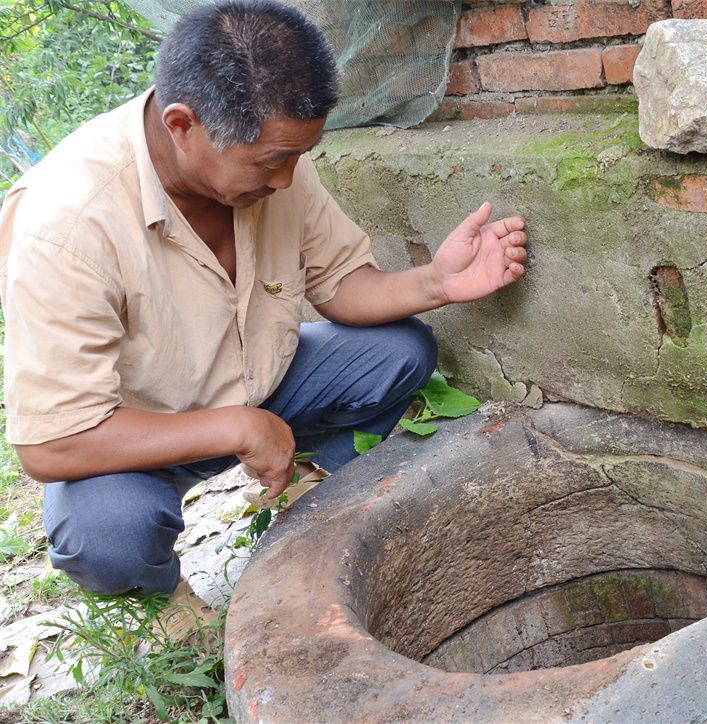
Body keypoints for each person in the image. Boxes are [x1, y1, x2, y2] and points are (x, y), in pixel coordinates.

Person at [0, 0, 528, 598]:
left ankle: (304, 495)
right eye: (272, 161)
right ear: (182, 126)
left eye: (299, 156)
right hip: (135, 442)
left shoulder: (273, 161)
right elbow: (51, 443)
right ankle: (169, 597)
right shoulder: (67, 225)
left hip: (262, 388)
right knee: (107, 536)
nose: (285, 180)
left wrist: (436, 282)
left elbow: (340, 285)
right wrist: (235, 427)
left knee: (400, 348)